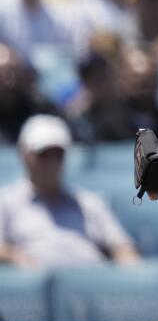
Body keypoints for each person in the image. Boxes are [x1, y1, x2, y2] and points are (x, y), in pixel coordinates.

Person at [0, 114, 141, 267]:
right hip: (33, 287)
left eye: (58, 154)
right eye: (43, 154)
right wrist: (16, 257)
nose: (51, 161)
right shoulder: (6, 201)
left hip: (92, 285)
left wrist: (130, 268)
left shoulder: (88, 202)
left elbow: (122, 246)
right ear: (25, 156)